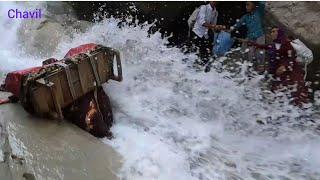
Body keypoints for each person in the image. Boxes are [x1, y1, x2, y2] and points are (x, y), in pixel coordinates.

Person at [246, 27, 309, 107]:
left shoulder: (286, 44)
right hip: (278, 75)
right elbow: (262, 46)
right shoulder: (273, 45)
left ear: (279, 33)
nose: (271, 33)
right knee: (277, 95)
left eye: (273, 31)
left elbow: (291, 57)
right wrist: (251, 43)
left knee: (295, 96)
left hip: (290, 73)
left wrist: (284, 66)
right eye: (271, 32)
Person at [231, 1, 266, 70]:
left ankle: (260, 71)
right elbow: (237, 25)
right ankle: (249, 72)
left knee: (259, 54)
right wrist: (230, 30)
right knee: (248, 53)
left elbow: (262, 2)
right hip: (250, 37)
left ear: (253, 5)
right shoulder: (246, 17)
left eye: (248, 5)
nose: (246, 7)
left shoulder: (258, 11)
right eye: (246, 5)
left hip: (259, 36)